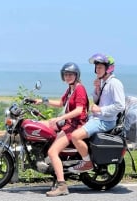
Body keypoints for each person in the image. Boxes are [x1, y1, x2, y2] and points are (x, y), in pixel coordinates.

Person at [35, 62, 89, 197]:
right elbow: (61, 103)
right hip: (69, 123)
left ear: (76, 75)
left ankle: (62, 185)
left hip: (76, 125)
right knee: (42, 125)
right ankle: (48, 163)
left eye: (71, 74)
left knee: (53, 151)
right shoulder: (71, 89)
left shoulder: (79, 89)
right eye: (66, 74)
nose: (68, 76)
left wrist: (60, 118)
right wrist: (42, 101)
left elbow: (79, 110)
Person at [68, 53, 125, 173]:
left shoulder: (115, 83)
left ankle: (87, 163)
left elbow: (120, 105)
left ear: (108, 68)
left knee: (75, 136)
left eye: (100, 67)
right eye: (96, 67)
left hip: (105, 121)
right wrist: (97, 89)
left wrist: (101, 110)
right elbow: (96, 100)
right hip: (97, 118)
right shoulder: (104, 82)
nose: (97, 70)